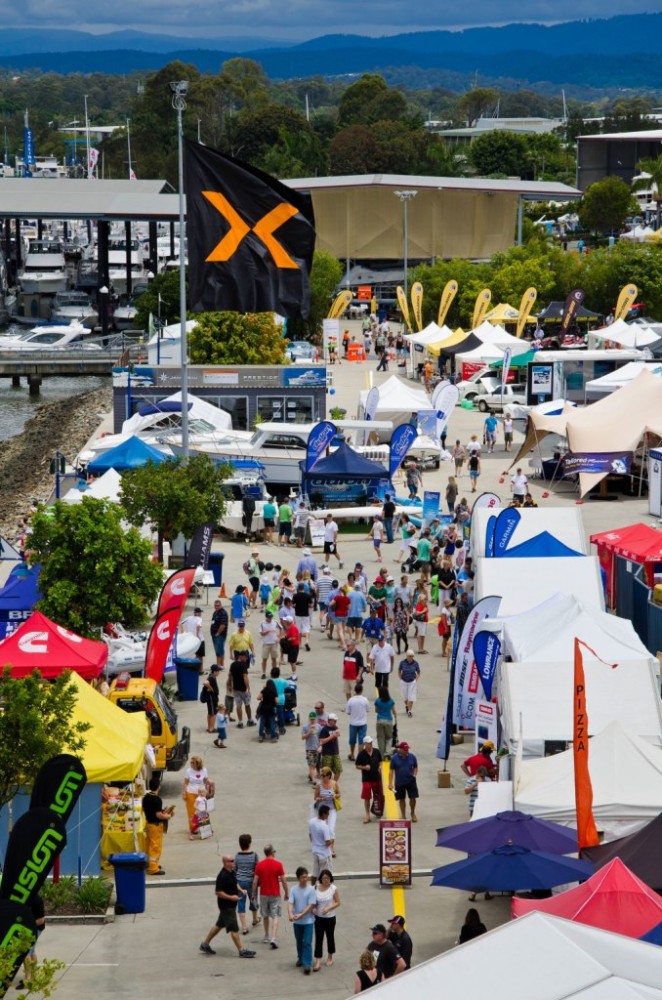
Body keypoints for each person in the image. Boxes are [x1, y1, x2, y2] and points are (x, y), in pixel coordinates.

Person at [200, 856, 256, 958]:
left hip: (230, 905)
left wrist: (241, 890)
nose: (233, 862)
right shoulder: (222, 876)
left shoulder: (231, 872)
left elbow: (235, 884)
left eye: (233, 860)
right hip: (226, 906)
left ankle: (205, 944)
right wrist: (231, 898)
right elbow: (218, 892)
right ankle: (242, 951)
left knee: (219, 925)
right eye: (231, 861)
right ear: (225, 863)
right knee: (234, 929)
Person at [252, 844, 289, 949]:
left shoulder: (259, 865)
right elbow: (284, 881)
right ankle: (273, 937)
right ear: (272, 852)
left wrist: (253, 894)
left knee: (265, 916)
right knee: (275, 916)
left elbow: (255, 882)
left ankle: (266, 935)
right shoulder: (278, 864)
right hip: (275, 894)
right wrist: (286, 892)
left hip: (263, 894)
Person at [288, 866, 317, 974]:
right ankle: (300, 958)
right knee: (299, 941)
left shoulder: (311, 889)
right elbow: (290, 903)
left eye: (306, 877)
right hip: (297, 921)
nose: (305, 879)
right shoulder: (293, 890)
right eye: (303, 877)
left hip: (308, 920)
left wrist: (301, 914)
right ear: (298, 878)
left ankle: (307, 964)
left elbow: (310, 905)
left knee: (307, 942)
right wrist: (291, 914)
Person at [143, 776, 173, 876]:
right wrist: (167, 816)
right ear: (158, 787)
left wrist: (162, 811)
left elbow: (151, 811)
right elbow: (158, 815)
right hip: (155, 826)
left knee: (148, 845)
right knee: (155, 847)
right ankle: (153, 868)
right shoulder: (157, 799)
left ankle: (149, 864)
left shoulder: (146, 797)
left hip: (148, 824)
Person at [312, 869, 340, 971]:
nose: (325, 880)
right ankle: (318, 960)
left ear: (330, 878)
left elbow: (338, 902)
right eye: (324, 878)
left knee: (330, 937)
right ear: (321, 879)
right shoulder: (316, 887)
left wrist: (329, 908)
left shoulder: (333, 888)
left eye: (327, 878)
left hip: (330, 918)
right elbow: (313, 900)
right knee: (318, 938)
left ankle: (330, 956)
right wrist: (314, 908)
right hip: (318, 918)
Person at [235, 834, 260, 935]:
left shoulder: (237, 856)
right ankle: (254, 919)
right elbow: (257, 869)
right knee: (253, 900)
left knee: (241, 904)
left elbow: (234, 869)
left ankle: (244, 927)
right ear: (249, 843)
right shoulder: (254, 855)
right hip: (251, 882)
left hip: (240, 882)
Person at [388, 741, 419, 822]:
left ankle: (412, 813)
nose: (407, 751)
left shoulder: (412, 757)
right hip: (399, 782)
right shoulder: (394, 758)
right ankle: (403, 815)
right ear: (400, 749)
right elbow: (391, 771)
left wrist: (414, 775)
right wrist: (390, 783)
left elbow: (415, 766)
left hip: (411, 781)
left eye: (407, 749)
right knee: (401, 799)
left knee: (413, 798)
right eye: (405, 749)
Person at [355, 735, 382, 823]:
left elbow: (380, 761)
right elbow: (357, 766)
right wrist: (364, 767)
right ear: (365, 744)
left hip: (376, 778)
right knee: (367, 797)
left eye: (371, 743)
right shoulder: (361, 754)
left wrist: (380, 767)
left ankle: (377, 810)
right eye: (368, 743)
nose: (370, 745)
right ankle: (367, 814)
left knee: (377, 795)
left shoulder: (377, 752)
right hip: (366, 779)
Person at [182, 755, 210, 834]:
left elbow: (206, 781)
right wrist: (184, 792)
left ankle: (204, 828)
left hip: (201, 794)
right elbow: (185, 783)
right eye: (191, 763)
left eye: (193, 763)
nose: (191, 764)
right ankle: (193, 829)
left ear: (198, 764)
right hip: (190, 793)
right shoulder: (188, 771)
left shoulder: (204, 770)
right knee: (191, 812)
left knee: (202, 811)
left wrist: (209, 788)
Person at [229, 648, 256, 729]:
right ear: (241, 656)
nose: (247, 658)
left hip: (235, 689)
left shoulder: (233, 664)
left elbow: (230, 675)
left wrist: (230, 685)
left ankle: (240, 722)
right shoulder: (243, 666)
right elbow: (245, 677)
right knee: (247, 705)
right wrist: (248, 687)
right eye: (246, 657)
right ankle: (250, 720)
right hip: (243, 689)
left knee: (238, 706)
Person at [314, 766, 340, 848]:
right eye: (321, 775)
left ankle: (332, 848)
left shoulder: (334, 783)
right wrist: (322, 798)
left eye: (324, 776)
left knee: (331, 829)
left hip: (331, 809)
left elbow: (339, 794)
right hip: (322, 810)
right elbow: (315, 798)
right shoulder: (319, 785)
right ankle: (324, 845)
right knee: (323, 829)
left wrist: (335, 795)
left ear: (329, 776)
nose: (322, 777)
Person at [344, 681, 370, 761]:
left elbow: (348, 712)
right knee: (361, 741)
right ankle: (360, 757)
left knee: (352, 740)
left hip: (353, 723)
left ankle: (352, 754)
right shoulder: (365, 700)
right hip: (363, 723)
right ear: (361, 691)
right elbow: (367, 710)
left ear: (354, 691)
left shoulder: (351, 700)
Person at [309, 804, 334, 881]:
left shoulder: (311, 821)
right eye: (327, 813)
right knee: (325, 875)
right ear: (323, 814)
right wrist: (332, 840)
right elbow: (327, 842)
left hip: (315, 851)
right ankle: (323, 890)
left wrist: (315, 843)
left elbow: (310, 835)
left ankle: (313, 889)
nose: (328, 815)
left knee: (315, 873)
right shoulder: (324, 826)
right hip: (324, 854)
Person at [374, 686, 397, 760]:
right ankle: (387, 753)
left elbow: (376, 711)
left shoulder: (378, 701)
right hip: (388, 721)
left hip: (380, 720)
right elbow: (394, 711)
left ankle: (381, 754)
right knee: (389, 737)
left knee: (380, 738)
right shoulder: (391, 701)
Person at [180, 607, 205, 671]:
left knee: (197, 655)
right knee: (201, 656)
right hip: (200, 640)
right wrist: (197, 635)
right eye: (200, 612)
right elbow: (198, 625)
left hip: (192, 640)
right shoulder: (199, 619)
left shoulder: (189, 618)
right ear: (198, 613)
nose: (200, 614)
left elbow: (181, 623)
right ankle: (201, 670)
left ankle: (196, 669)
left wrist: (182, 632)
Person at [259, 609, 281, 679]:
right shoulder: (262, 623)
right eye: (269, 617)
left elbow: (281, 628)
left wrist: (279, 637)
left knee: (274, 659)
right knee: (264, 659)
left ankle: (274, 673)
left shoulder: (275, 622)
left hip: (274, 643)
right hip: (266, 643)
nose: (270, 618)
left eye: (271, 617)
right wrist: (268, 631)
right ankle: (263, 673)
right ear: (266, 617)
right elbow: (261, 633)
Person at [398, 649, 420, 717]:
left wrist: (416, 679)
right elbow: (399, 670)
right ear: (407, 656)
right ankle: (407, 706)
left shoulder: (415, 663)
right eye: (409, 656)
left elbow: (418, 672)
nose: (411, 657)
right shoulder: (402, 662)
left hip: (412, 682)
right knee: (405, 697)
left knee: (411, 697)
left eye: (412, 656)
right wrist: (400, 678)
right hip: (404, 681)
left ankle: (409, 711)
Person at [256, 678, 279, 743]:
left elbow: (258, 697)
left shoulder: (264, 690)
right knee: (272, 723)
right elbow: (277, 701)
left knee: (262, 722)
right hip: (271, 709)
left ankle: (260, 736)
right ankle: (273, 737)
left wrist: (263, 689)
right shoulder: (274, 691)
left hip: (263, 708)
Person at [293, 582, 313, 652]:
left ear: (298, 588)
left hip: (298, 614)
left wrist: (297, 605)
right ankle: (306, 642)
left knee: (298, 629)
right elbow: (311, 605)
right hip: (305, 614)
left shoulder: (295, 596)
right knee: (306, 628)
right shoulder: (307, 595)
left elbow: (293, 605)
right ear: (303, 588)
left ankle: (299, 644)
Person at [302, 711, 321, 783]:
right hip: (309, 748)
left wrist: (320, 746)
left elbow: (320, 737)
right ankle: (313, 780)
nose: (312, 721)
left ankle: (311, 775)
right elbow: (303, 737)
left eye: (313, 719)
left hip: (316, 748)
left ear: (316, 719)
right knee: (311, 764)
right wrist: (309, 732)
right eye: (311, 719)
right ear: (309, 719)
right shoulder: (306, 727)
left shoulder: (319, 726)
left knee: (314, 765)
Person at [210, 598, 229, 669]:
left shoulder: (223, 613)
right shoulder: (215, 612)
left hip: (220, 635)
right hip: (214, 635)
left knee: (219, 650)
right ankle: (219, 664)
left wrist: (218, 633)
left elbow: (223, 625)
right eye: (215, 605)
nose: (216, 607)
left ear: (221, 605)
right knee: (218, 650)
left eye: (218, 605)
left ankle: (220, 665)